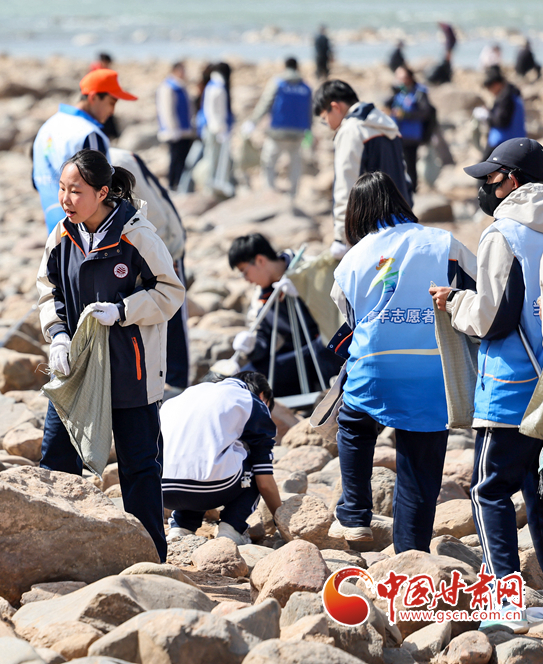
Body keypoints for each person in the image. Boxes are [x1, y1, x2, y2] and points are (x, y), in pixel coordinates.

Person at [37, 149, 186, 561]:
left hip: (132, 369)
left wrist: (123, 311)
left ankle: (150, 555)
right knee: (56, 458)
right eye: (62, 189)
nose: (66, 199)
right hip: (76, 367)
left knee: (139, 465)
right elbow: (47, 289)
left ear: (103, 192)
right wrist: (58, 336)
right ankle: (54, 548)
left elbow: (171, 292)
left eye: (76, 191)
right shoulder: (61, 235)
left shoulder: (136, 234)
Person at [429, 138, 543, 633]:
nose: (483, 188)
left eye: (489, 180)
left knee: (489, 489)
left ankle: (504, 599)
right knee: (537, 489)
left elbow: (495, 317)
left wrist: (455, 302)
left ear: (511, 181)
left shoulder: (506, 233)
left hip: (514, 384)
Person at [330, 172, 475, 553]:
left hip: (374, 367)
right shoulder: (443, 242)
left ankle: (355, 513)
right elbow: (480, 290)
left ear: (356, 213)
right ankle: (411, 553)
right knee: (420, 462)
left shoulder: (352, 258)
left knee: (354, 424)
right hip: (432, 369)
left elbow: (347, 317)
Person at [161, 371, 281, 545]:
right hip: (211, 489)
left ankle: (181, 527)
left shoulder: (185, 394)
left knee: (205, 455)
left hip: (164, 490)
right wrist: (281, 519)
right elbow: (264, 481)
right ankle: (231, 529)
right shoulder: (251, 400)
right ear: (263, 397)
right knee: (254, 459)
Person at [108, 147, 190, 392]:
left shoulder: (118, 161)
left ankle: (176, 384)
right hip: (135, 249)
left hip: (163, 244)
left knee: (170, 311)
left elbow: (153, 210)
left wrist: (165, 255)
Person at [227, 233, 343, 397]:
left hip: (330, 351)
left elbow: (336, 313)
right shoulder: (261, 298)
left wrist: (305, 291)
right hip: (301, 360)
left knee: (321, 348)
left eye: (244, 272)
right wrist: (252, 346)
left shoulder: (310, 268)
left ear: (260, 260)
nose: (246, 279)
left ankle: (333, 397)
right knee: (246, 379)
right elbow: (264, 341)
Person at [312, 79, 411, 258]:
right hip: (402, 224)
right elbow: (405, 175)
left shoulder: (351, 130)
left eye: (324, 119)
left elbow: (346, 185)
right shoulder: (388, 124)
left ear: (335, 107)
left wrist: (341, 237)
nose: (327, 125)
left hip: (369, 232)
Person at [32, 69, 136, 232]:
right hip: (86, 231)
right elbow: (102, 187)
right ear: (94, 97)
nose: (112, 111)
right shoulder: (88, 133)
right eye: (112, 102)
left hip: (54, 226)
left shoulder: (48, 127)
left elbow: (35, 179)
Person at [243, 57, 311, 201]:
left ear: (285, 67)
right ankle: (292, 195)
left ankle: (269, 191)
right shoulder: (305, 87)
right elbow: (309, 112)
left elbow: (265, 103)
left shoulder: (278, 83)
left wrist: (253, 122)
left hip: (278, 132)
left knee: (269, 161)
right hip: (298, 133)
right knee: (295, 165)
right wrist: (309, 133)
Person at [385, 65, 434, 193]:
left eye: (402, 77)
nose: (400, 80)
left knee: (410, 164)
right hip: (396, 133)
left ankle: (412, 191)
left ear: (410, 78)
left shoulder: (419, 92)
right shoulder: (399, 92)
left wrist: (406, 115)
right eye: (398, 77)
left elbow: (426, 112)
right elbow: (386, 103)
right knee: (395, 163)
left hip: (411, 135)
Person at [195, 62, 234, 198]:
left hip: (212, 128)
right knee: (213, 159)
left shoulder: (212, 85)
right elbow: (216, 112)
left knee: (214, 158)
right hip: (216, 129)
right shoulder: (218, 86)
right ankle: (211, 189)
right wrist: (221, 129)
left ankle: (214, 187)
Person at [156, 62, 195, 190]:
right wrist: (173, 128)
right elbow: (167, 110)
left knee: (183, 158)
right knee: (175, 158)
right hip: (175, 131)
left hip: (185, 130)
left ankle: (181, 183)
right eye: (182, 70)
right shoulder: (168, 87)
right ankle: (173, 183)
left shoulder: (181, 87)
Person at [474, 67, 526, 158]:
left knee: (484, 167)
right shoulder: (511, 93)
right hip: (516, 140)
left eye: (489, 88)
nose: (490, 91)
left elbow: (501, 122)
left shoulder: (506, 98)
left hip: (503, 141)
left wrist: (487, 116)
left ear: (496, 84)